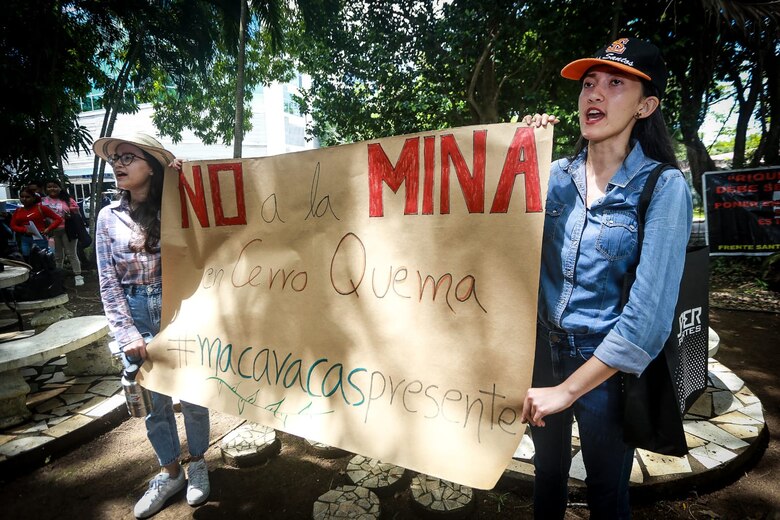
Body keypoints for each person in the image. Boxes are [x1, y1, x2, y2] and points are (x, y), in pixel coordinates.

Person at [520, 37, 692, 519]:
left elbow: (648, 322)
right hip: (541, 353)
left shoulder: (664, 186)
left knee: (607, 491)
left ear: (646, 105)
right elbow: (499, 247)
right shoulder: (553, 175)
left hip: (606, 372)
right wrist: (521, 156)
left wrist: (568, 390)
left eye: (616, 83)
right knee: (546, 476)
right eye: (589, 83)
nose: (595, 94)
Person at [92, 132, 211, 519]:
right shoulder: (108, 217)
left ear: (152, 165)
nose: (118, 163)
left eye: (128, 156)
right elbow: (107, 281)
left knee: (194, 394)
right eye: (114, 159)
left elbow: (212, 235)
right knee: (155, 402)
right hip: (137, 312)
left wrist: (187, 183)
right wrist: (125, 332)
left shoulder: (177, 209)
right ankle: (169, 471)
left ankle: (198, 464)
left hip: (182, 309)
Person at [42, 180, 84, 286]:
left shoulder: (68, 200)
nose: (52, 189)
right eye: (49, 187)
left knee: (71, 254)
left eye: (55, 186)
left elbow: (77, 215)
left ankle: (78, 275)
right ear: (45, 189)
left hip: (68, 230)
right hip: (52, 231)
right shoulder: (43, 201)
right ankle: (58, 276)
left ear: (60, 188)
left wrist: (70, 215)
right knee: (57, 255)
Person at [10, 186, 63, 260]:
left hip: (39, 237)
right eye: (22, 197)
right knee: (27, 259)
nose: (24, 199)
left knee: (42, 259)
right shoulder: (18, 210)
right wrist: (24, 230)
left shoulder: (40, 208)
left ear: (33, 198)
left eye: (27, 197)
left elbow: (58, 219)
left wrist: (48, 229)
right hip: (25, 238)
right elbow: (13, 225)